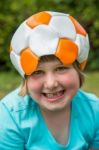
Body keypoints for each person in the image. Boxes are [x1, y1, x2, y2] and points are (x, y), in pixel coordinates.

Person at [0, 11, 99, 150]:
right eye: (38, 72)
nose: (51, 83)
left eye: (61, 69)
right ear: (26, 79)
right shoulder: (10, 117)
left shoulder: (94, 110)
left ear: (78, 71)